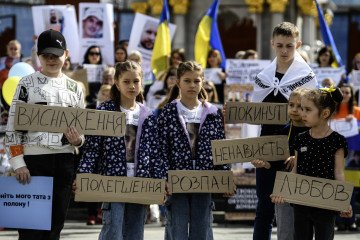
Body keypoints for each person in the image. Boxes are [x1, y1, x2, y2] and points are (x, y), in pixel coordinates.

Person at [5, 29, 85, 240]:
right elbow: (13, 128)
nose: (51, 59)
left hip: (64, 162)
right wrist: (18, 162)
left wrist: (78, 140)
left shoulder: (75, 88)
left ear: (66, 54)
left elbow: (82, 131)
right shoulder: (26, 84)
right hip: (33, 164)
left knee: (53, 230)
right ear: (38, 56)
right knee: (31, 231)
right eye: (46, 55)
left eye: (56, 55)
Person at [77, 60, 161, 239]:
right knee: (113, 231)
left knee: (135, 233)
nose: (132, 86)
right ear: (116, 82)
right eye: (126, 81)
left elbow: (155, 152)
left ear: (141, 82)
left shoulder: (148, 115)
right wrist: (83, 174)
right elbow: (92, 148)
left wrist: (160, 178)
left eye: (136, 81)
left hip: (140, 183)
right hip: (112, 183)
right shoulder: (105, 111)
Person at [251, 22, 317, 240]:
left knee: (296, 210)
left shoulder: (307, 77)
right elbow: (253, 115)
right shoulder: (263, 77)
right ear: (272, 44)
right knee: (264, 208)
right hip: (266, 148)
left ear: (297, 44)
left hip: (297, 151)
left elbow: (313, 120)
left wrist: (301, 154)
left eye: (289, 46)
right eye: (280, 46)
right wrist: (252, 151)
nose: (285, 51)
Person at [157, 61, 231, 240]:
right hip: (176, 181)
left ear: (203, 82)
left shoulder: (213, 112)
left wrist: (224, 176)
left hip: (204, 180)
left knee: (202, 229)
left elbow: (220, 146)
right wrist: (163, 178)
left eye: (196, 81)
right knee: (177, 229)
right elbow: (161, 149)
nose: (192, 85)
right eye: (187, 81)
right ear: (178, 82)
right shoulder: (167, 112)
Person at [271, 86, 352, 239]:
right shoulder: (300, 138)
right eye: (302, 109)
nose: (302, 113)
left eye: (308, 110)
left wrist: (344, 201)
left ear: (325, 113)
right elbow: (295, 170)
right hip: (301, 205)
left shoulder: (337, 141)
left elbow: (339, 173)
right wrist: (283, 191)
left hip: (326, 205)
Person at [252, 88, 310, 240]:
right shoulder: (281, 132)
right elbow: (276, 165)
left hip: (309, 193)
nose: (295, 110)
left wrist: (298, 159)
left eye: (300, 106)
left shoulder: (315, 132)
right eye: (291, 105)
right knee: (285, 234)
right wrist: (265, 164)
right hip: (285, 192)